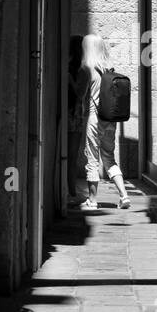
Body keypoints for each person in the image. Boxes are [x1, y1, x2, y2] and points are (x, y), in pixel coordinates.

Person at [76, 34, 130, 211]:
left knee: (91, 158)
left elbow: (80, 94)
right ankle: (124, 195)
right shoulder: (108, 68)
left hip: (94, 119)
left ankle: (92, 200)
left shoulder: (87, 69)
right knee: (109, 158)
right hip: (109, 121)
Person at [67, 35, 87, 205]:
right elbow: (80, 94)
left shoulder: (82, 71)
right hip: (73, 115)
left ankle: (71, 190)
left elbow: (79, 93)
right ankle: (71, 191)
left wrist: (70, 80)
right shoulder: (82, 70)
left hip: (74, 114)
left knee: (72, 156)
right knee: (72, 156)